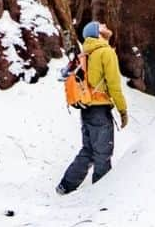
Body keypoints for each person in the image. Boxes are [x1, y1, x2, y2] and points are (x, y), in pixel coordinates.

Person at [56, 21, 128, 195]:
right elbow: (114, 85)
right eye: (101, 25)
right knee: (103, 153)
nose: (104, 25)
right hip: (100, 110)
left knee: (88, 150)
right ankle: (100, 194)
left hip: (86, 108)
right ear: (97, 33)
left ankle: (65, 185)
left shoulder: (86, 53)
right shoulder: (105, 52)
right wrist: (122, 110)